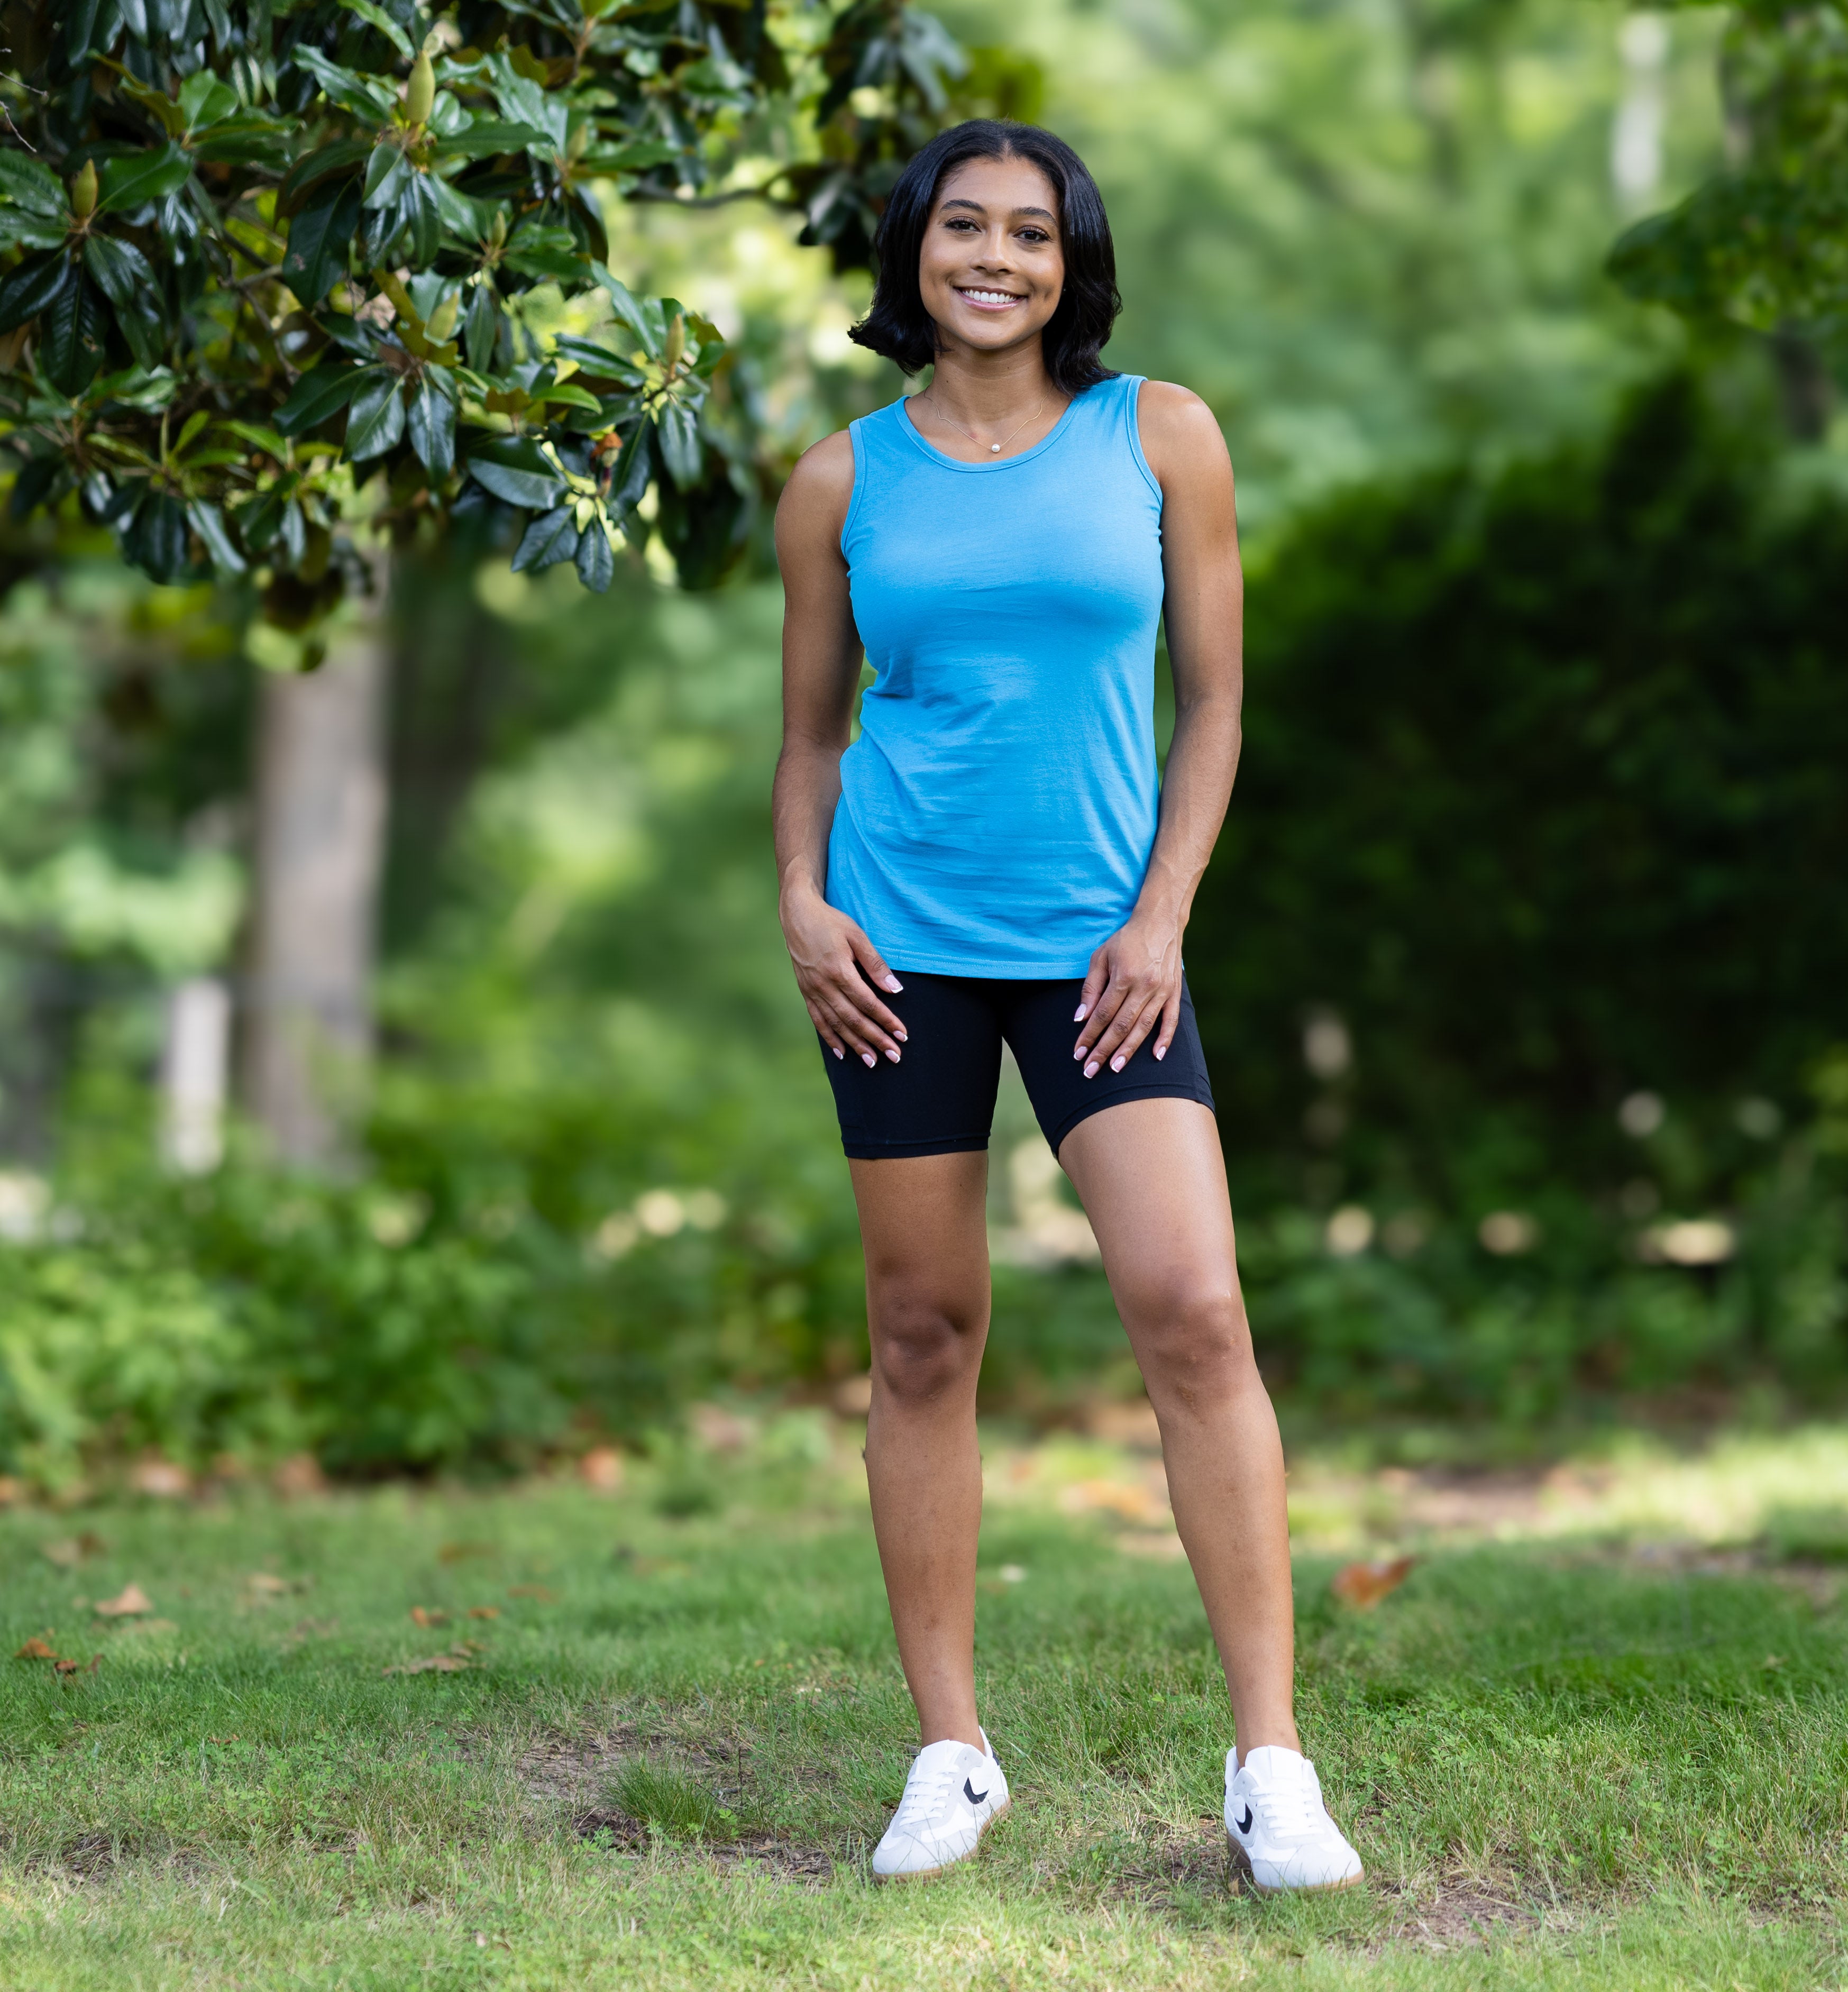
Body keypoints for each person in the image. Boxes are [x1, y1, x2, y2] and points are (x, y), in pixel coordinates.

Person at [771, 118, 1362, 1895]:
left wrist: (1163, 916)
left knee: (1193, 1310)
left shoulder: (1158, 436)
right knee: (924, 1333)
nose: (997, 259)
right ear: (916, 250)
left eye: (1032, 233)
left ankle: (1272, 1768)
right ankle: (949, 1754)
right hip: (896, 948)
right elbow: (808, 732)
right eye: (965, 226)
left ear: (1069, 260)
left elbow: (1216, 708)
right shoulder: (839, 481)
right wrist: (800, 904)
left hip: (1106, 951)